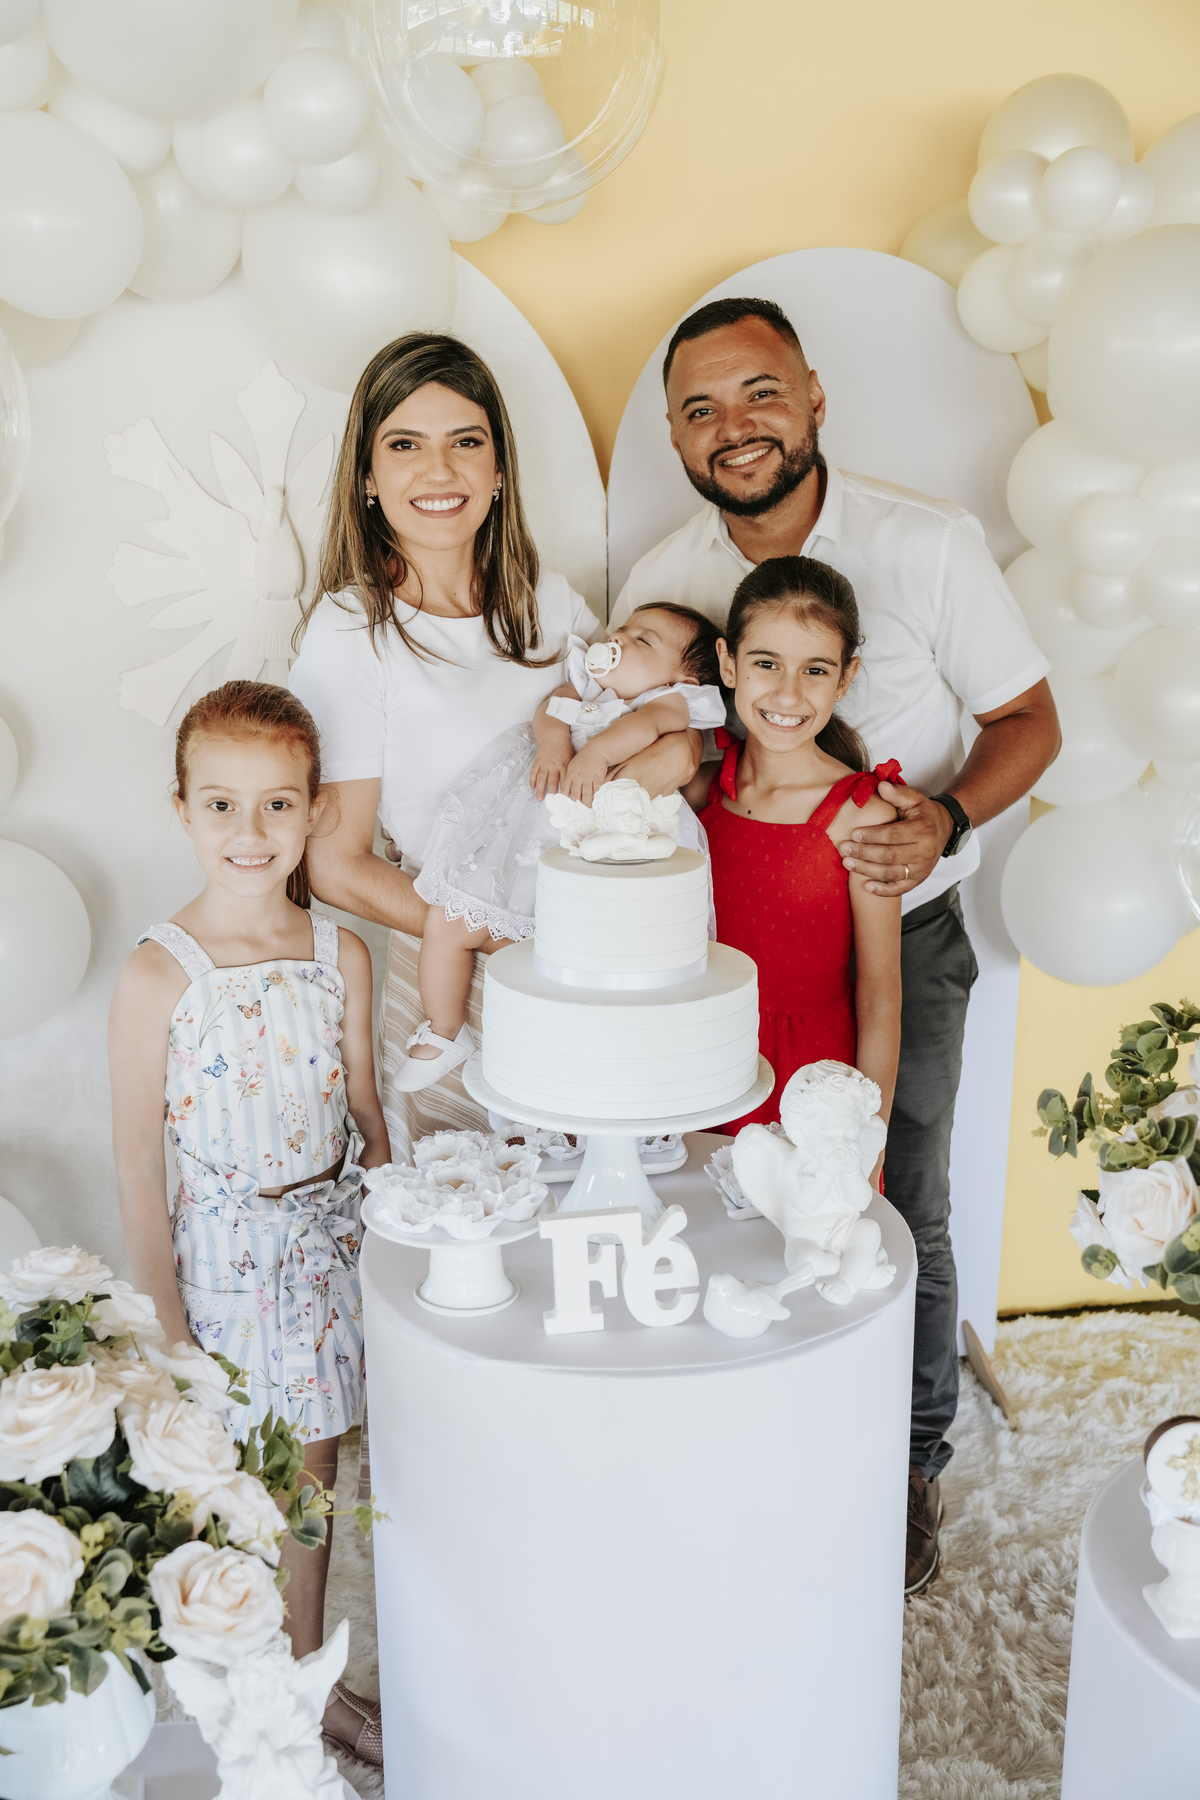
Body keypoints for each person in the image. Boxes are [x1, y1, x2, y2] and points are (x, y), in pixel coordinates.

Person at [612, 295, 1060, 1595]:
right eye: (701, 409)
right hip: (737, 952)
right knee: (728, 1195)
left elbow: (1030, 718)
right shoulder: (666, 583)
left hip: (892, 936)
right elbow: (656, 753)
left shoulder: (928, 543)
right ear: (675, 438)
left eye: (760, 392)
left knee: (894, 1196)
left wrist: (947, 818)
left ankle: (907, 1462)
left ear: (814, 395)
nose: (735, 426)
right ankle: (753, 1428)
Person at [289, 333, 699, 1155]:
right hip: (459, 975)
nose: (438, 472)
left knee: (606, 1190)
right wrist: (499, 930)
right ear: (367, 477)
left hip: (589, 960)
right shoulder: (349, 631)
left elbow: (647, 734)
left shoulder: (552, 605)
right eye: (405, 445)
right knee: (482, 1210)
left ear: (499, 468)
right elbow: (337, 865)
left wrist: (679, 756)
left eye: (465, 442)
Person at [108, 680, 391, 1766]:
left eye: (278, 804)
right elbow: (138, 1165)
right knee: (236, 1497)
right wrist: (169, 1332)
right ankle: (247, 1698)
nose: (250, 830)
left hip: (326, 1262)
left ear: (317, 810)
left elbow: (366, 1117)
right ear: (182, 809)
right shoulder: (158, 974)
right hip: (219, 1274)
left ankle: (309, 1675)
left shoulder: (339, 955)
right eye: (221, 804)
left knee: (313, 1483)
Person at [401, 602, 725, 1089]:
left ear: (682, 677)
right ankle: (445, 1029)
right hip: (524, 833)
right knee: (449, 920)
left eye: (642, 640)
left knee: (568, 966)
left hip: (604, 851)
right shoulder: (584, 681)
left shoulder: (670, 702)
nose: (619, 639)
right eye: (622, 628)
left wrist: (596, 752)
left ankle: (543, 1074)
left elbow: (644, 728)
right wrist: (554, 744)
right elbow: (551, 708)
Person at [691, 557, 900, 1140]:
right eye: (766, 663)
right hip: (698, 1062)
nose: (788, 692)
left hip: (810, 1085)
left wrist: (869, 1143)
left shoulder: (862, 814)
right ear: (728, 663)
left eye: (815, 669)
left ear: (845, 678)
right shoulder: (702, 790)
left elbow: (880, 998)